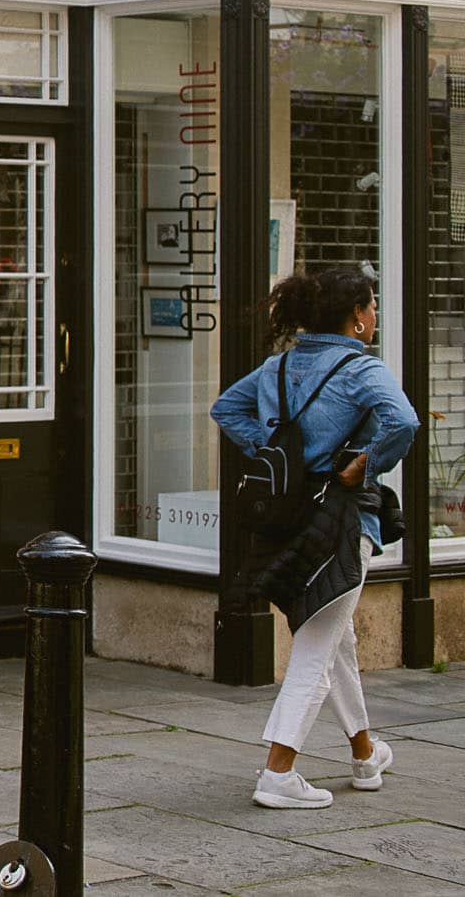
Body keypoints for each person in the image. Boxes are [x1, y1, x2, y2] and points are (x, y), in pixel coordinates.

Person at [211, 266, 418, 810]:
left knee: (335, 637)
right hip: (340, 522)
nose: (374, 316)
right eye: (372, 306)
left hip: (288, 520)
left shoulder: (278, 366)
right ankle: (278, 773)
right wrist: (363, 466)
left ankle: (365, 755)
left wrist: (277, 457)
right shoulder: (359, 369)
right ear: (356, 317)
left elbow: (225, 408)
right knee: (316, 650)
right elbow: (404, 422)